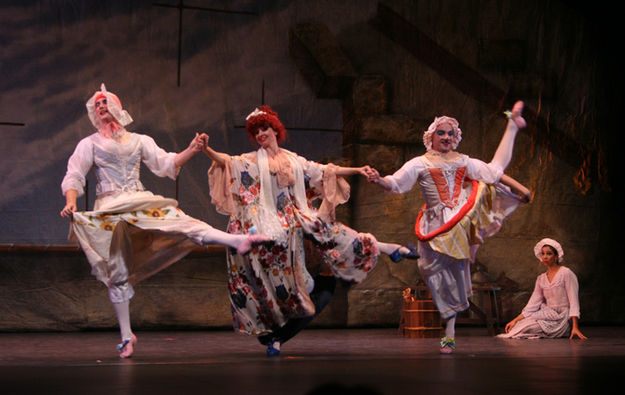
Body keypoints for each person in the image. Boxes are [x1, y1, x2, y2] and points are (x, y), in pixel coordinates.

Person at [60, 84, 266, 358]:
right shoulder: (89, 144)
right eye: (97, 104)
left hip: (138, 201)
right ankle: (126, 336)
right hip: (110, 208)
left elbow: (166, 163)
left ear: (118, 108)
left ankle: (237, 240)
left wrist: (193, 148)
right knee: (117, 272)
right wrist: (70, 201)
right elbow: (74, 173)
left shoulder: (138, 140)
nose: (101, 107)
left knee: (180, 221)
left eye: (105, 102)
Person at [203, 105, 418, 356]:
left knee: (335, 235)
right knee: (276, 278)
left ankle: (390, 248)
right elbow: (227, 162)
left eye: (265, 128)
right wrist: (206, 149)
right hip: (271, 223)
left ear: (275, 129)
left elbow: (327, 170)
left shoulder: (295, 160)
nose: (261, 134)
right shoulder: (251, 161)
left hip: (297, 217)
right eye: (256, 131)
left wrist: (358, 170)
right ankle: (274, 335)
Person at [369, 101, 532, 353]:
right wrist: (378, 179)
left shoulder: (464, 161)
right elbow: (395, 183)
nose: (446, 136)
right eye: (441, 132)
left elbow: (494, 173)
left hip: (460, 218)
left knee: (455, 275)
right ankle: (399, 251)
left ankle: (450, 332)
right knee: (428, 269)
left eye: (450, 133)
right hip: (434, 223)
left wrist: (522, 189)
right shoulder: (419, 163)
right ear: (431, 137)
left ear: (456, 138)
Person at [499, 238, 587, 339]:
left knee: (528, 328)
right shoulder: (541, 279)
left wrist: (575, 327)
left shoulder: (566, 273)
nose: (545, 257)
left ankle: (561, 330)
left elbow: (573, 301)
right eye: (543, 254)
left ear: (556, 256)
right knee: (519, 326)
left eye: (549, 254)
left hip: (562, 317)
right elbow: (532, 305)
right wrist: (515, 320)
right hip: (548, 314)